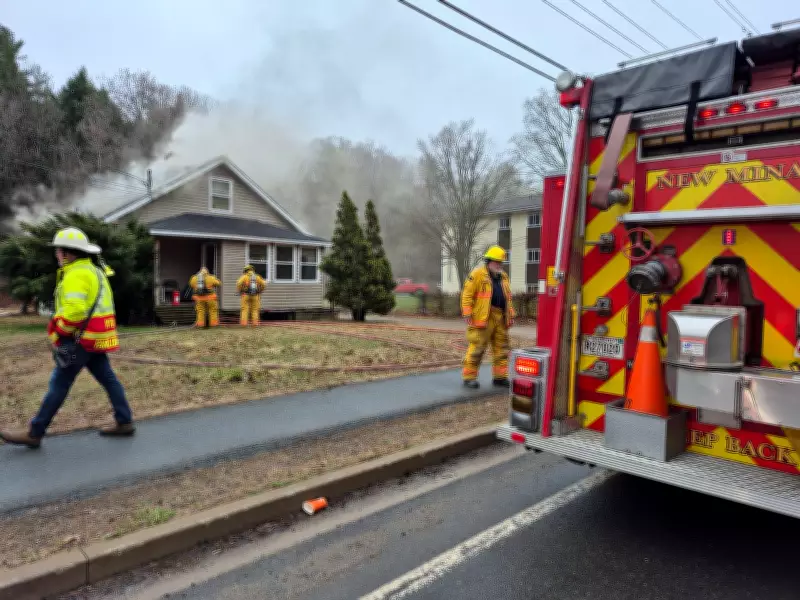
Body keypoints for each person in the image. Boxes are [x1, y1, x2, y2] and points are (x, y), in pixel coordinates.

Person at [0, 227, 135, 448]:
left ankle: (35, 433)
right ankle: (125, 420)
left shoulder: (76, 274)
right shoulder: (94, 271)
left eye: (58, 251)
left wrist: (60, 330)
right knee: (108, 379)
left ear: (67, 253)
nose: (56, 255)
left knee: (59, 384)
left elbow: (76, 311)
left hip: (79, 339)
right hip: (95, 338)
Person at [460, 245, 515, 389]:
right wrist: (467, 312)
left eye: (500, 262)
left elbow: (508, 298)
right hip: (484, 317)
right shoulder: (477, 274)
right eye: (496, 262)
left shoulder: (504, 277)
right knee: (477, 347)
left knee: (502, 348)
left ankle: (500, 377)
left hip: (501, 317)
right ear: (489, 261)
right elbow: (467, 294)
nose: (499, 265)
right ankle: (469, 377)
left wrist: (511, 314)